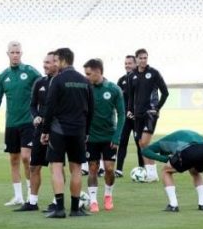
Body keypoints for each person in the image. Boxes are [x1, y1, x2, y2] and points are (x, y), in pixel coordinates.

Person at [0, 41, 41, 207]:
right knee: (14, 159)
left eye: (18, 52)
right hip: (11, 124)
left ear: (21, 53)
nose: (15, 55)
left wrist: (41, 111)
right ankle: (18, 196)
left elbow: (45, 87)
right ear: (7, 54)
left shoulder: (30, 71)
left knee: (26, 157)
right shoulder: (3, 76)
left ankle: (31, 195)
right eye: (12, 52)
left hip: (28, 122)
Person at [40, 47, 93, 219]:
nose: (55, 63)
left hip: (59, 130)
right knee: (76, 169)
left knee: (56, 168)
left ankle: (60, 208)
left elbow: (49, 107)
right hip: (79, 131)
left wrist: (45, 130)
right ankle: (76, 209)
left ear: (63, 60)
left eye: (56, 60)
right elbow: (92, 109)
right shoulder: (85, 81)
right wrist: (86, 131)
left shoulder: (57, 80)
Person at [16, 51, 58, 212]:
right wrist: (36, 116)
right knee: (34, 166)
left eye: (48, 62)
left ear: (56, 63)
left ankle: (56, 201)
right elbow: (33, 105)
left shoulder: (61, 83)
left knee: (56, 167)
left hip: (56, 130)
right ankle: (32, 202)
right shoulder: (39, 82)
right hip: (40, 130)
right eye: (44, 62)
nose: (44, 65)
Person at [82, 58, 124, 213]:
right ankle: (93, 201)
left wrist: (117, 136)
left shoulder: (114, 89)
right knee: (92, 168)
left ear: (98, 72)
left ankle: (108, 195)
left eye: (88, 74)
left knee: (109, 169)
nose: (86, 77)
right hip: (91, 137)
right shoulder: (86, 88)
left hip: (109, 137)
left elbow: (122, 114)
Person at [142, 129, 203, 212]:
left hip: (190, 150)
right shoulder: (180, 134)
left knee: (166, 171)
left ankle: (173, 205)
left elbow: (145, 151)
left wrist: (165, 159)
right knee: (196, 172)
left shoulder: (163, 142)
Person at [126, 49, 168, 183]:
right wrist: (129, 110)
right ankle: (151, 174)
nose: (143, 60)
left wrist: (157, 108)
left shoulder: (154, 73)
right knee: (141, 144)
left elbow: (165, 92)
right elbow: (131, 96)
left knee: (144, 142)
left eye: (145, 58)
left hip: (150, 114)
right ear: (136, 59)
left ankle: (152, 173)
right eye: (141, 58)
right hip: (137, 115)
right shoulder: (131, 76)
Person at [114, 55, 142, 176]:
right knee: (122, 142)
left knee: (139, 143)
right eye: (126, 63)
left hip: (137, 118)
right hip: (125, 118)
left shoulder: (141, 79)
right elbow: (117, 99)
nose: (127, 65)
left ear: (135, 64)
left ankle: (142, 169)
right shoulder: (121, 80)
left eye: (130, 63)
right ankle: (119, 170)